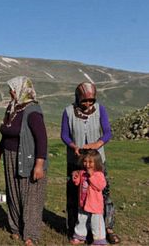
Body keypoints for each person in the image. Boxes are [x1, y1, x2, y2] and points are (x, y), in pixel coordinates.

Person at [61, 82, 120, 244]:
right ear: (78, 98)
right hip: (76, 161)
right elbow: (64, 135)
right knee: (76, 195)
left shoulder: (100, 109)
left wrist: (98, 143)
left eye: (91, 100)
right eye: (84, 101)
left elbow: (107, 132)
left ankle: (107, 228)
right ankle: (76, 229)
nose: (88, 104)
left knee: (102, 194)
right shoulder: (68, 112)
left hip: (97, 161)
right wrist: (73, 146)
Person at [0, 76, 48, 246]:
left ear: (21, 90)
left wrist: (39, 165)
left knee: (30, 196)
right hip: (10, 155)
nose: (10, 92)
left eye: (13, 89)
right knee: (13, 192)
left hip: (28, 157)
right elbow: (6, 132)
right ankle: (16, 227)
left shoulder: (33, 111)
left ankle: (31, 234)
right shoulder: (12, 108)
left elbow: (42, 139)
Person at [70, 150, 107, 245]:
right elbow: (79, 183)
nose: (87, 164)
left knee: (96, 222)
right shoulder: (83, 173)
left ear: (97, 163)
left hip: (95, 204)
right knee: (81, 220)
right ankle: (80, 236)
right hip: (83, 202)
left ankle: (99, 241)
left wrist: (91, 176)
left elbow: (100, 186)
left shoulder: (99, 174)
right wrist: (76, 178)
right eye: (85, 161)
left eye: (90, 162)